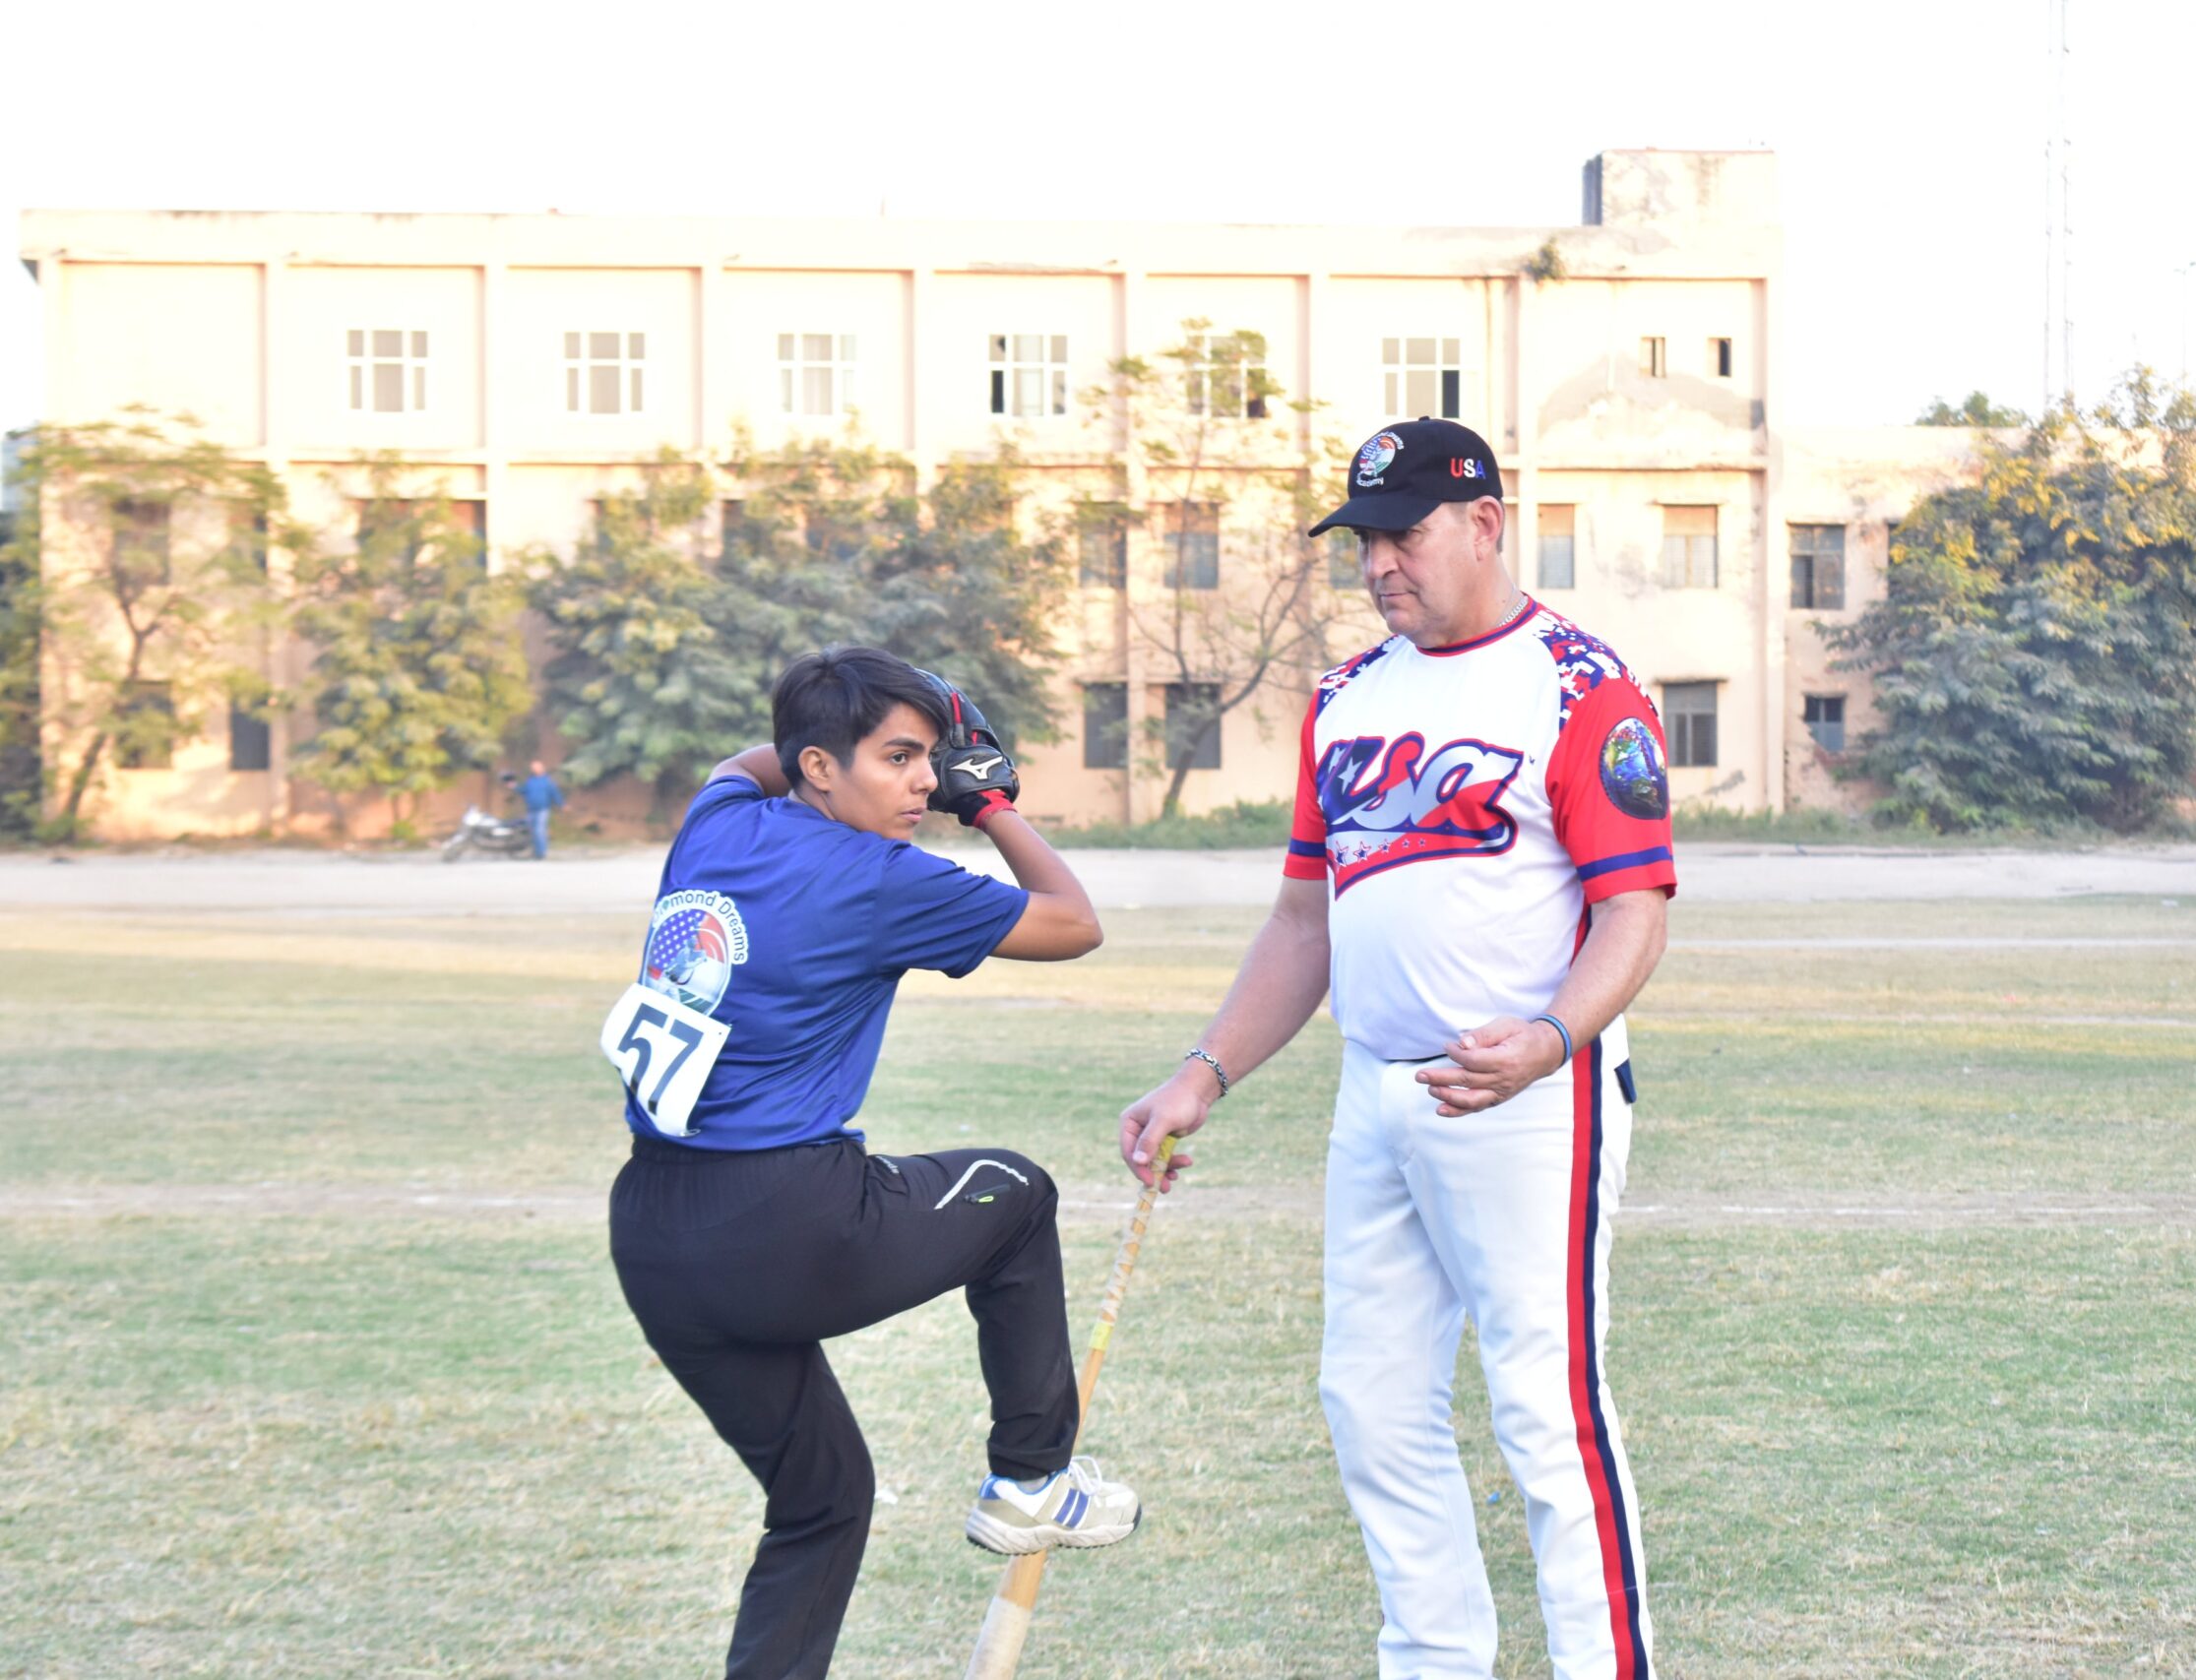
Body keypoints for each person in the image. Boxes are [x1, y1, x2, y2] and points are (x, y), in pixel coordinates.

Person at [1117, 419, 1674, 1679]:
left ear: (1483, 524)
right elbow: (1302, 922)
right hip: (1374, 1092)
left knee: (1545, 1413)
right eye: (1363, 541)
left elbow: (1634, 912)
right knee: (1369, 1404)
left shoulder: (1580, 685)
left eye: (1402, 535)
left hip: (1526, 1096)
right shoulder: (1345, 697)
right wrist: (1202, 1072)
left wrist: (1549, 1040)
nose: (1378, 564)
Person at [605, 645, 1140, 1680]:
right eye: (899, 758)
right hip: (784, 1220)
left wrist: (837, 732)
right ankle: (1032, 1483)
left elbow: (738, 762)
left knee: (822, 1500)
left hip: (654, 1239)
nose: (927, 782)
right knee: (1016, 1195)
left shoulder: (716, 826)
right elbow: (1075, 924)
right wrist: (992, 808)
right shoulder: (876, 874)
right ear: (819, 766)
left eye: (932, 759)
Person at [517, 760, 565, 859]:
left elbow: (554, 793)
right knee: (531, 831)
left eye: (536, 767)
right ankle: (534, 852)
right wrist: (514, 787)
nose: (534, 769)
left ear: (542, 768)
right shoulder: (530, 780)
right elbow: (524, 790)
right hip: (531, 810)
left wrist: (561, 804)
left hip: (542, 810)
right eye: (533, 768)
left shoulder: (547, 781)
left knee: (539, 831)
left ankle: (542, 853)